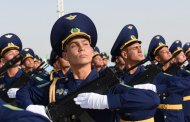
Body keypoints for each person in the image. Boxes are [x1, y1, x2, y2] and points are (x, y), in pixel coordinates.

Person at [0, 33, 24, 103]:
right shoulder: (1, 79)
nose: (15, 55)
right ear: (2, 60)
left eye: (17, 52)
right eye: (10, 53)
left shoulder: (29, 79)